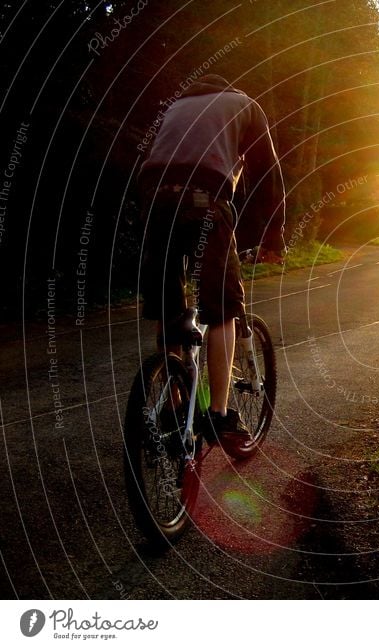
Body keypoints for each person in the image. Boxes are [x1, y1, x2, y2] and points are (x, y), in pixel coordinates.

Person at [138, 74, 284, 440]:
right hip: (204, 198)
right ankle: (219, 415)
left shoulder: (175, 106)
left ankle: (173, 405)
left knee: (168, 304)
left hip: (154, 199)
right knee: (221, 308)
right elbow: (268, 173)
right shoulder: (244, 105)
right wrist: (273, 234)